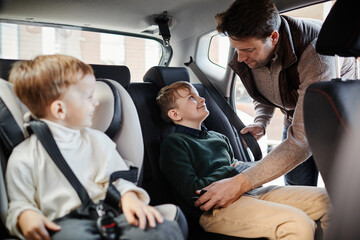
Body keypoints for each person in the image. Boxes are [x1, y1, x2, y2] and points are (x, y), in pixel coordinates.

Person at [192, 0, 357, 209]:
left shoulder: (315, 51)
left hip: (335, 125)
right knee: (296, 190)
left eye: (248, 50)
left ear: (274, 37)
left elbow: (302, 139)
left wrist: (240, 183)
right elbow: (265, 88)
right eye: (236, 49)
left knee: (340, 200)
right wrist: (261, 121)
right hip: (294, 121)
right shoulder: (251, 52)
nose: (240, 58)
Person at [5, 54, 184, 240]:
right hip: (65, 225)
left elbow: (119, 179)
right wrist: (25, 215)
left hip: (109, 214)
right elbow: (19, 204)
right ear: (59, 109)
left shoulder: (98, 141)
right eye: (89, 97)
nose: (96, 102)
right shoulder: (24, 156)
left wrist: (129, 196)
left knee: (163, 228)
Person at [157, 81, 330, 239]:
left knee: (331, 201)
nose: (201, 98)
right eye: (191, 98)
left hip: (247, 191)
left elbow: (235, 168)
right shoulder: (174, 144)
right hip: (214, 209)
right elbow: (192, 192)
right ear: (175, 114)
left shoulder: (218, 137)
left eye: (198, 94)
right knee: (296, 223)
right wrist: (233, 171)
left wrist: (241, 171)